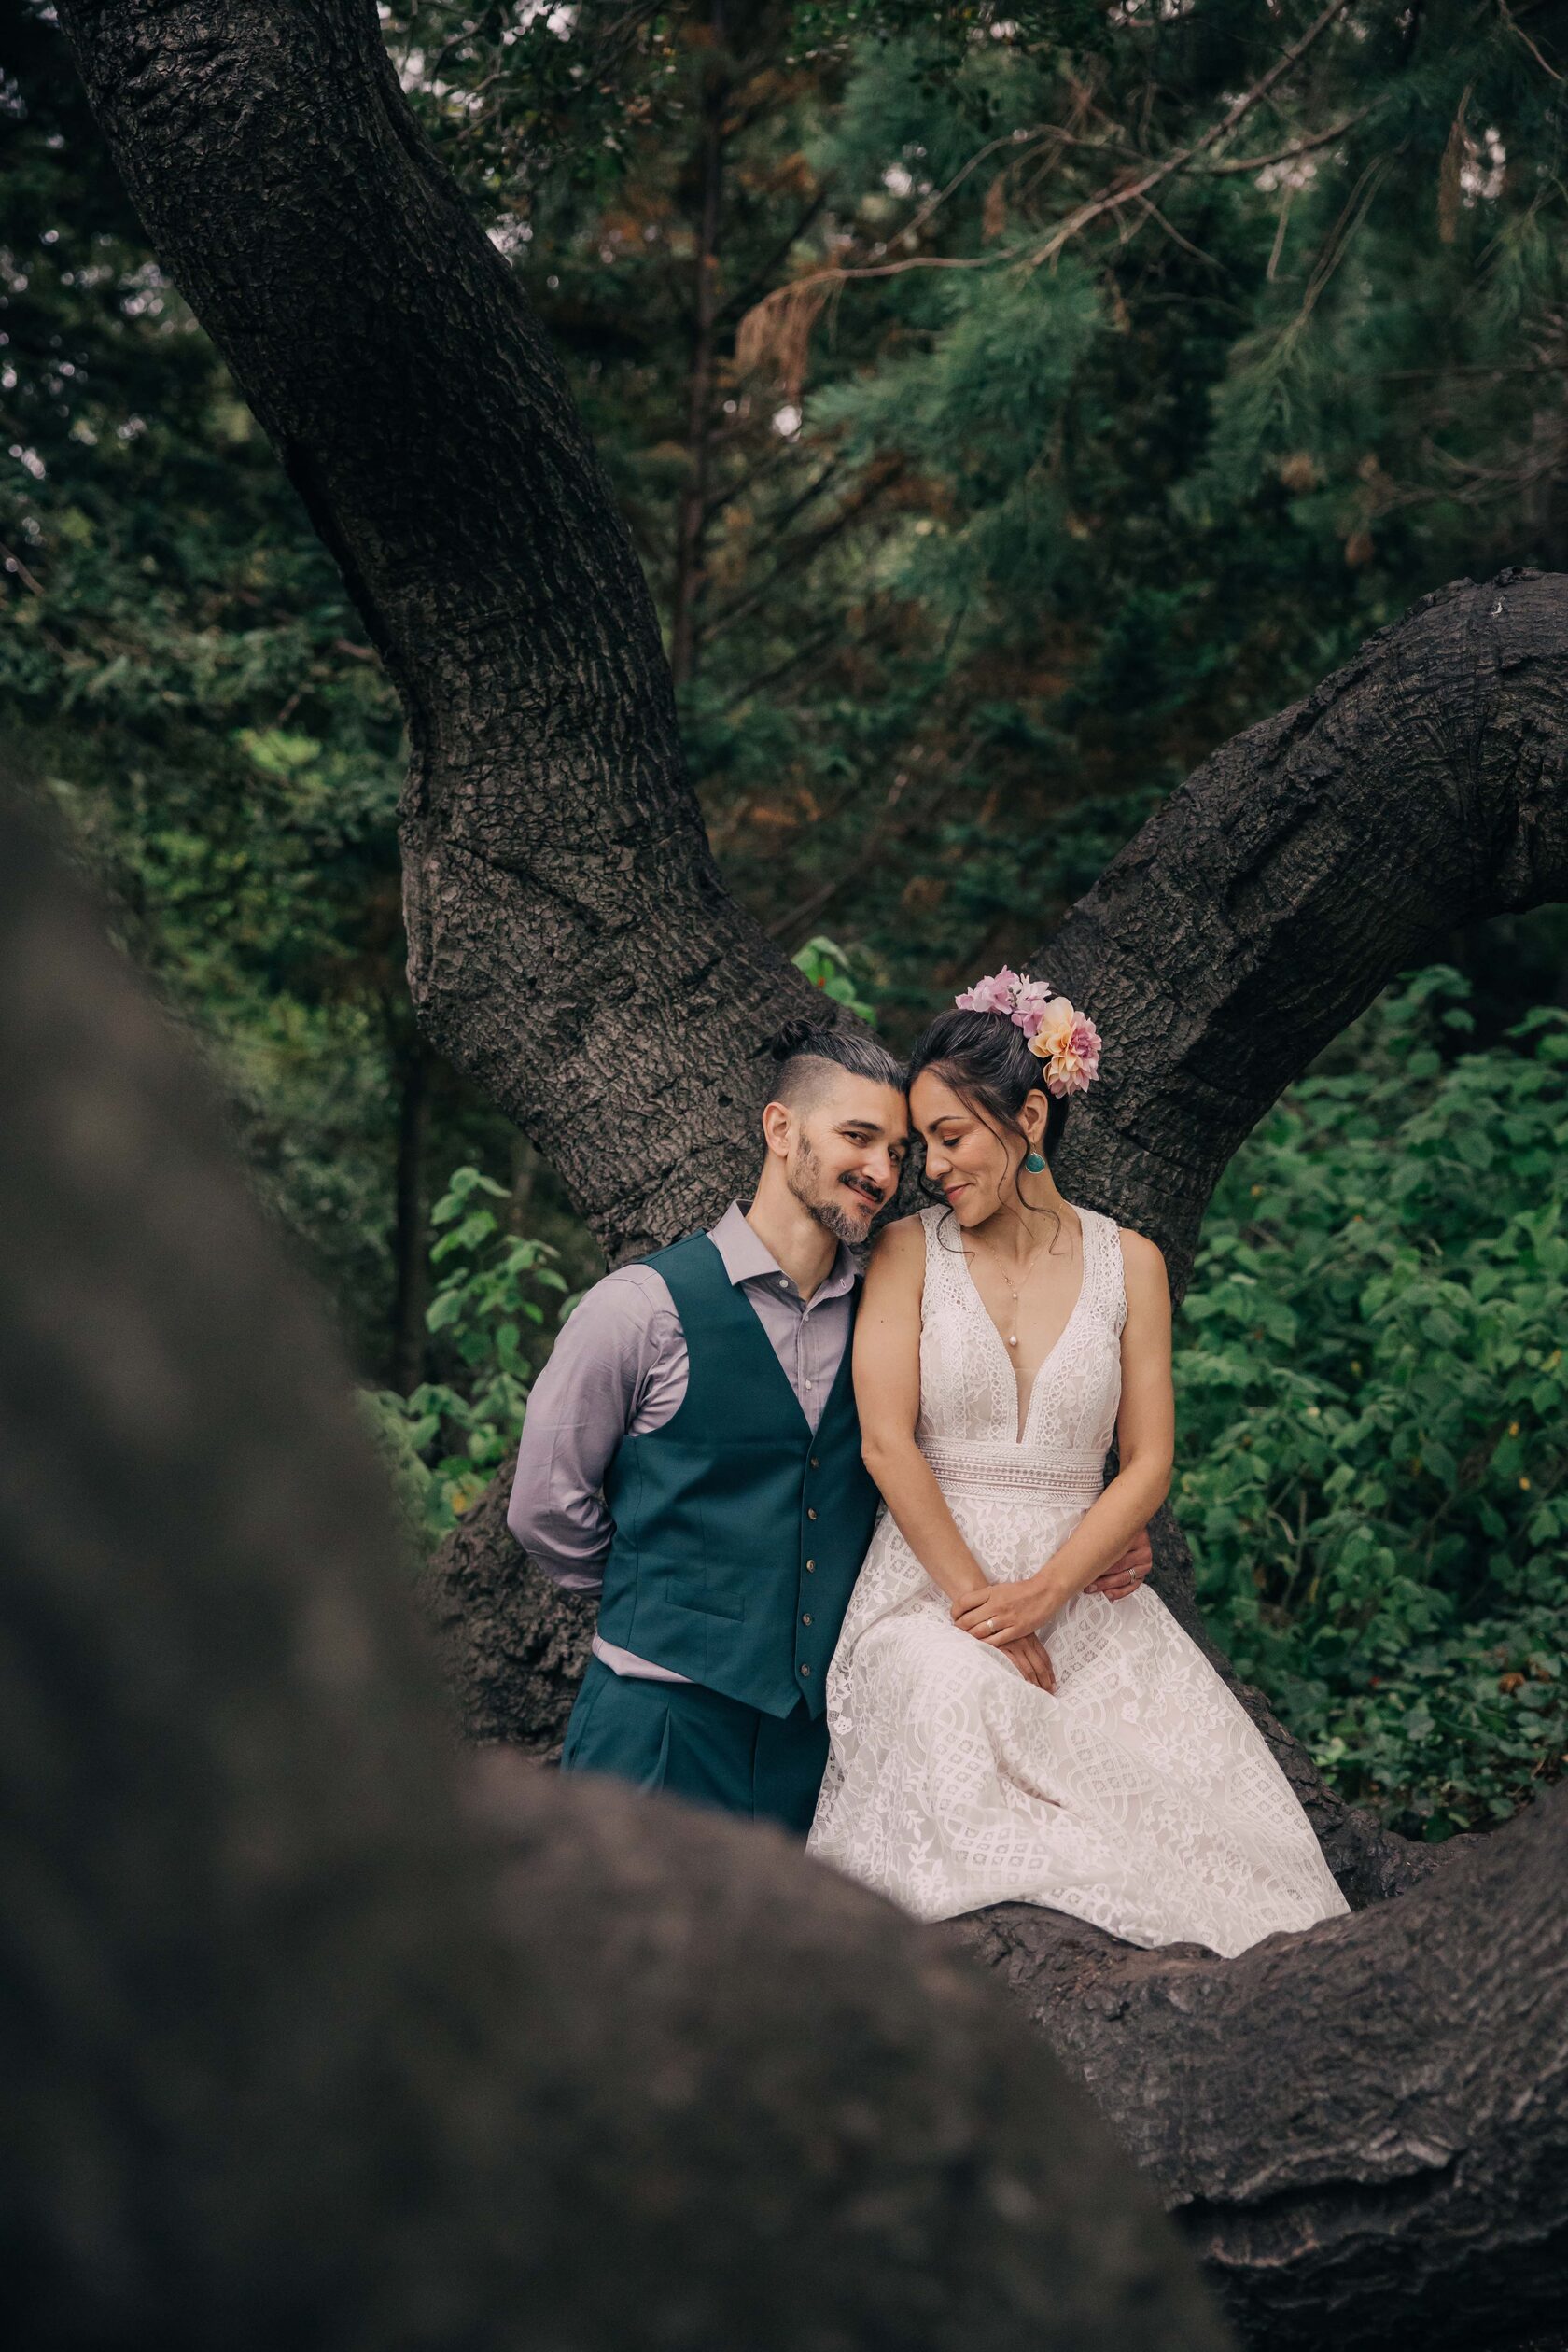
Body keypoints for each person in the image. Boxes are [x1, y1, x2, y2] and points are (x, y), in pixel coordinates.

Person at [808, 972, 1350, 1955]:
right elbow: (886, 1442)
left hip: (1084, 1595)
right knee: (950, 1690)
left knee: (1202, 1822)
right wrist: (983, 1605)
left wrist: (1049, 1591)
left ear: (1029, 1117)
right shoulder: (906, 1252)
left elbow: (1148, 1461)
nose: (932, 1167)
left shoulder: (1130, 1262)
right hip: (931, 1591)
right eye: (923, 1144)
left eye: (950, 1137)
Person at [508, 1015, 1155, 1835]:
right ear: (781, 1130)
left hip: (814, 1747)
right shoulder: (640, 1309)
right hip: (658, 1724)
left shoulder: (898, 1315)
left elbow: (949, 1455)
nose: (883, 1172)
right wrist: (661, 1591)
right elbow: (544, 1507)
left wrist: (1101, 1531)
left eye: (898, 1152)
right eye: (858, 1137)